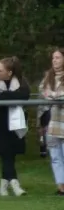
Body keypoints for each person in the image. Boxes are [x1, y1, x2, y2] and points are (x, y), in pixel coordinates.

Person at [0, 56, 30, 196]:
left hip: (16, 121)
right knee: (5, 153)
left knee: (11, 154)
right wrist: (13, 96)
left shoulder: (20, 80)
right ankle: (15, 184)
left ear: (10, 73)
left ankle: (3, 186)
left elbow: (25, 95)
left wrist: (6, 95)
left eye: (0, 70)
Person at [39, 48, 64, 196]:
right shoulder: (49, 76)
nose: (54, 60)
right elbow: (44, 91)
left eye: (58, 58)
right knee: (55, 156)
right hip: (53, 122)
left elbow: (58, 95)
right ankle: (61, 187)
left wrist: (53, 95)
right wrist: (53, 96)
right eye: (53, 58)